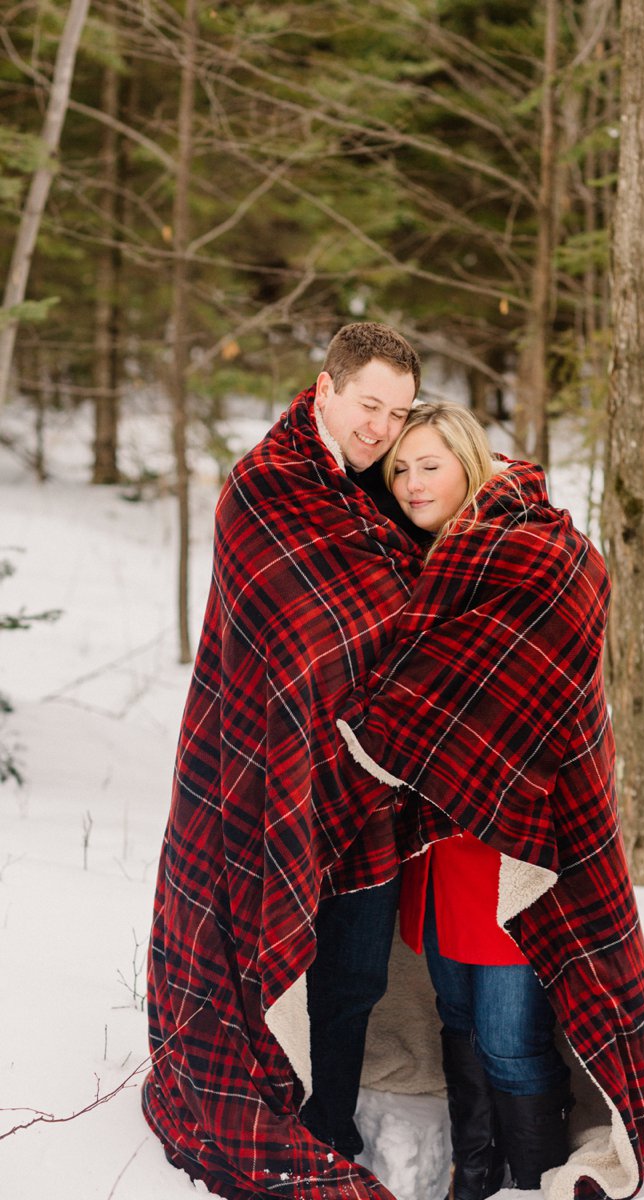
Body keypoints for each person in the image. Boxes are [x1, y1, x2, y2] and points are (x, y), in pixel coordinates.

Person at [338, 404, 644, 1200]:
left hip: (522, 834)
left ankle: (530, 1173)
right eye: (401, 470)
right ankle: (473, 1175)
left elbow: (522, 671)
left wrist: (395, 722)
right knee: (454, 1012)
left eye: (429, 465)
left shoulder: (538, 548)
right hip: (443, 836)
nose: (413, 484)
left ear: (470, 463)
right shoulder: (411, 557)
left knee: (513, 1034)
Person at [141, 322, 429, 1200]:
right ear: (326, 388)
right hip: (277, 779)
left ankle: (335, 1127)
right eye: (370, 405)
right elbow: (306, 643)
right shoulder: (265, 491)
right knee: (280, 966)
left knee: (356, 980)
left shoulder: (394, 487)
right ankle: (287, 1121)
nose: (382, 427)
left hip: (369, 794)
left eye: (399, 411)